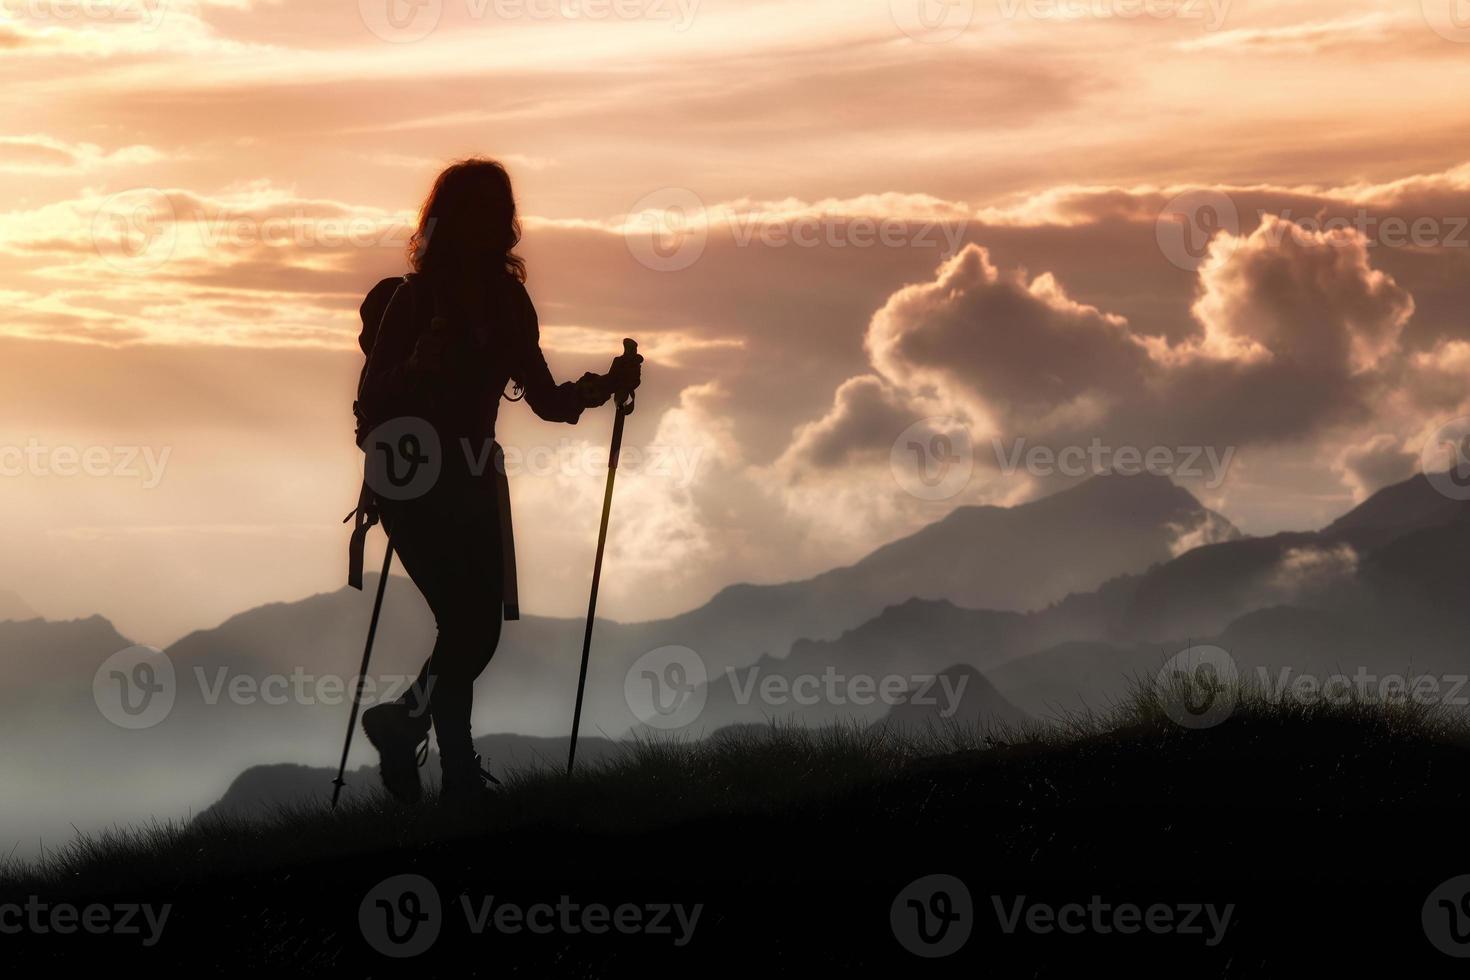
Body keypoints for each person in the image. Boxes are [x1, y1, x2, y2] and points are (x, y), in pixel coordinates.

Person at [352, 158, 641, 802]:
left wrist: (603, 387)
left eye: (496, 209)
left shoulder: (490, 302)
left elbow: (547, 401)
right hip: (432, 478)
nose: (490, 223)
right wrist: (415, 371)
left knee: (468, 624)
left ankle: (428, 747)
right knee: (471, 625)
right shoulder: (425, 300)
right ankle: (443, 758)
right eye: (477, 210)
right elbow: (376, 397)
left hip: (445, 476)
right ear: (452, 220)